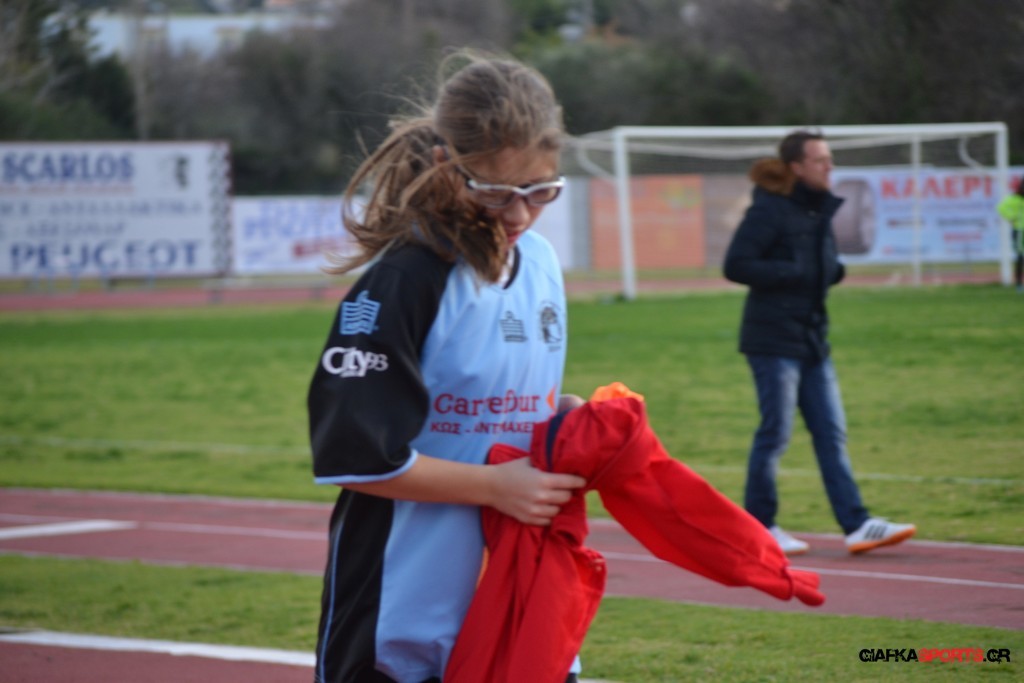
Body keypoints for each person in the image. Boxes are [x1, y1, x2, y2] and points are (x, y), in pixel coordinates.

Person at [306, 51, 587, 683]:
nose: (518, 215)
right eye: (494, 192)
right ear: (444, 165)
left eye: (540, 191)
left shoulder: (540, 261)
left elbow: (496, 401)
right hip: (402, 616)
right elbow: (355, 454)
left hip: (520, 603)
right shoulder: (406, 279)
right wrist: (495, 487)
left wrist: (560, 419)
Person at [723, 129, 916, 556]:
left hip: (812, 338)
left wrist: (831, 269)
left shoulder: (818, 209)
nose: (830, 167)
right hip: (772, 339)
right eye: (820, 160)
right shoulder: (769, 209)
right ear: (796, 167)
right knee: (775, 434)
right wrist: (792, 272)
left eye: (829, 159)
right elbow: (736, 264)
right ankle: (760, 526)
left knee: (831, 433)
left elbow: (818, 265)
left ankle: (857, 525)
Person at [996, 180, 1024, 291]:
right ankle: (1019, 284)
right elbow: (1001, 208)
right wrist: (1012, 217)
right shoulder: (1014, 199)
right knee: (1020, 257)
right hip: (1020, 230)